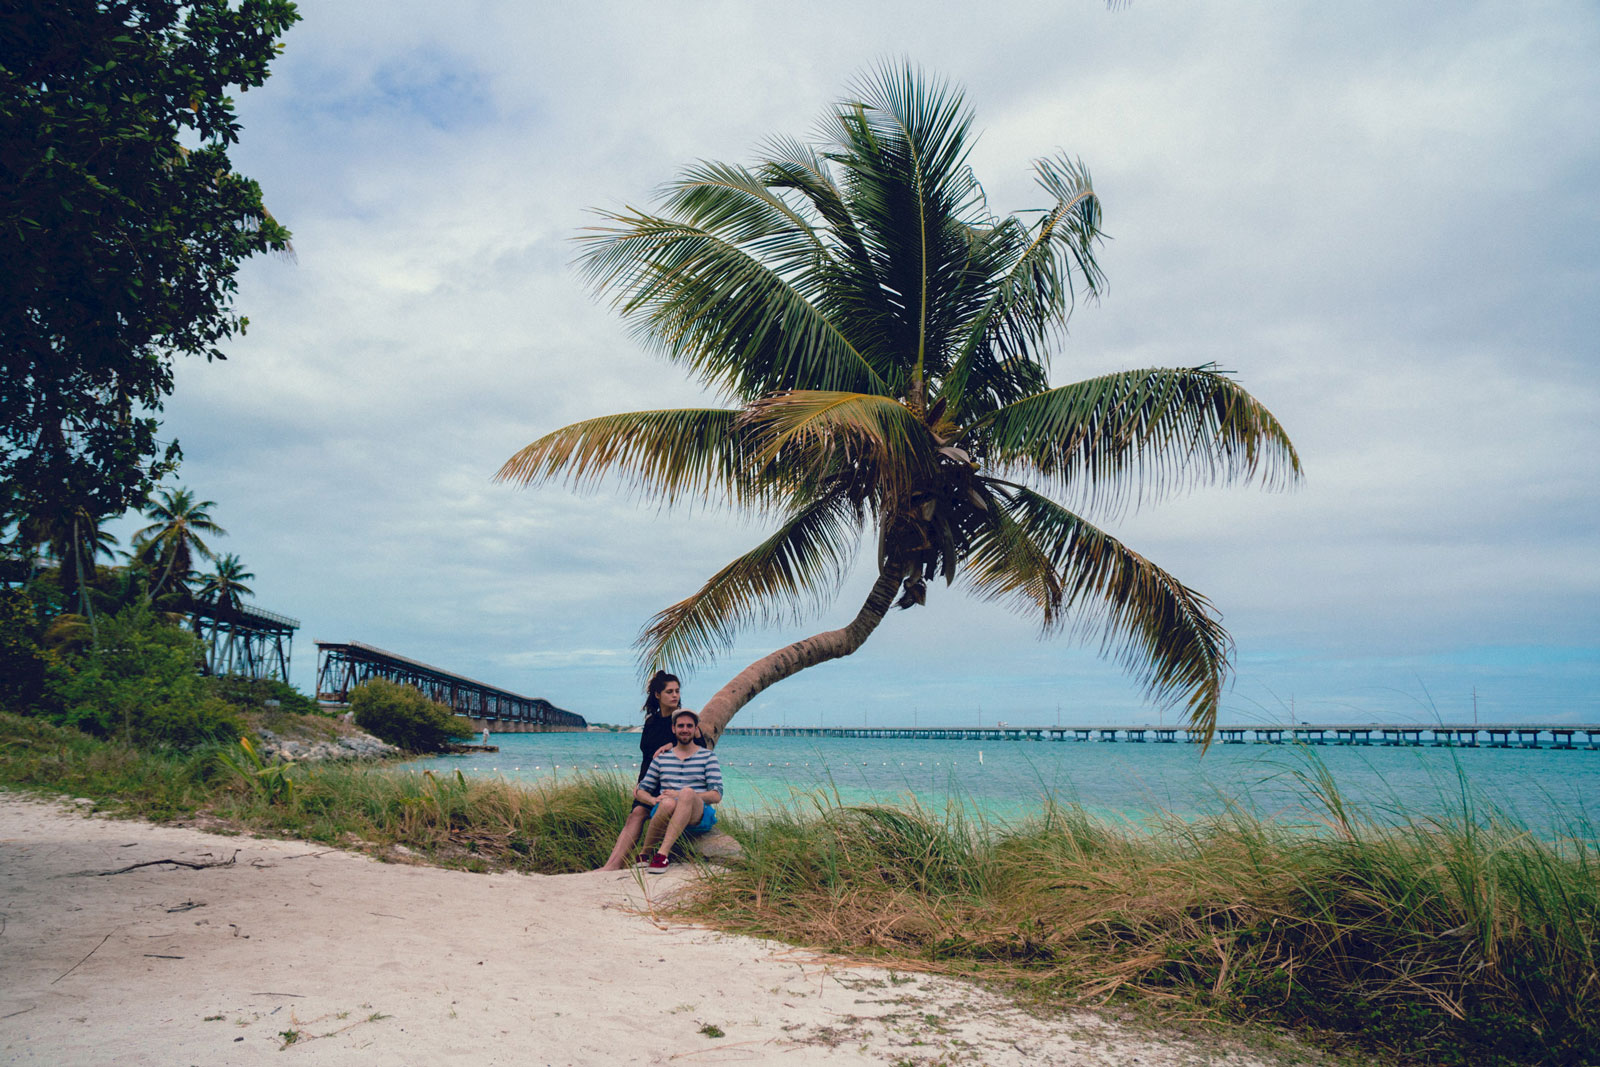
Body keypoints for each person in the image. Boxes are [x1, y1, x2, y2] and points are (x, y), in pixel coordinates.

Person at [596, 671, 704, 871]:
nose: (675, 695)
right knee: (635, 814)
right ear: (657, 695)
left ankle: (646, 856)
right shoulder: (651, 722)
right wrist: (641, 785)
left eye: (677, 691)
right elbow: (646, 758)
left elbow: (700, 747)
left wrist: (672, 744)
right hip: (650, 782)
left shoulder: (682, 722)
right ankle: (611, 865)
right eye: (669, 691)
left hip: (673, 785)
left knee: (641, 813)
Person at [633, 709, 723, 874]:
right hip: (666, 812)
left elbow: (716, 795)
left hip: (697, 814)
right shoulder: (662, 758)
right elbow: (640, 790)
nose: (685, 729)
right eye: (680, 726)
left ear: (696, 730)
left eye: (689, 726)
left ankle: (662, 854)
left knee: (687, 793)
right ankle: (644, 854)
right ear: (673, 729)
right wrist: (653, 801)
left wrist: (681, 795)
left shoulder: (708, 757)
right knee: (667, 802)